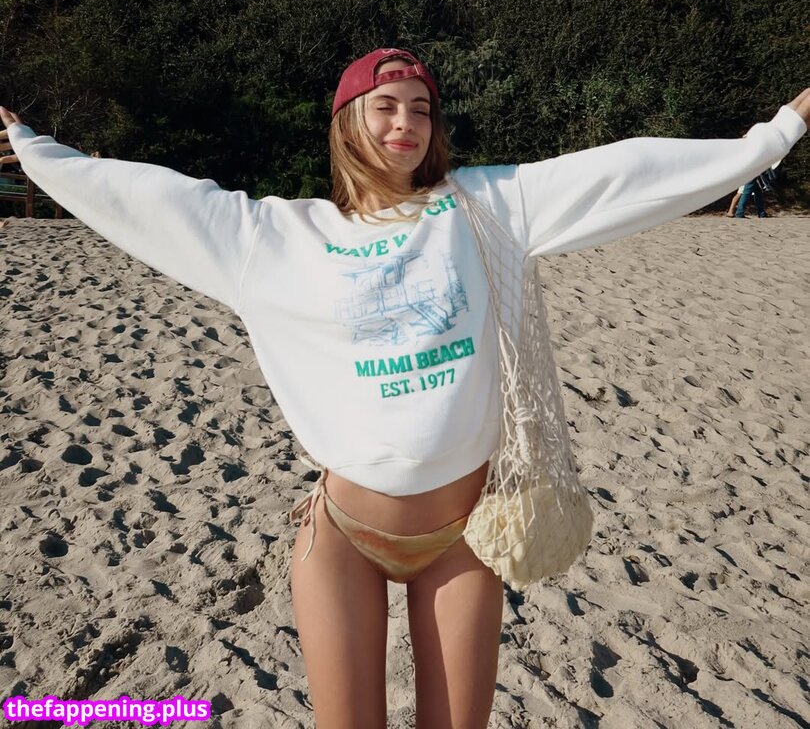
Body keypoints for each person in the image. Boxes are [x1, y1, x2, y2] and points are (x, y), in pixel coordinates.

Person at [1, 54, 808, 729]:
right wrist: (36, 150)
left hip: (462, 538)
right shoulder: (276, 237)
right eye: (385, 105)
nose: (406, 123)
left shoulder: (485, 205)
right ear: (347, 120)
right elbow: (151, 197)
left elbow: (622, 171)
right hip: (344, 539)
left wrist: (779, 131)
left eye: (421, 108)